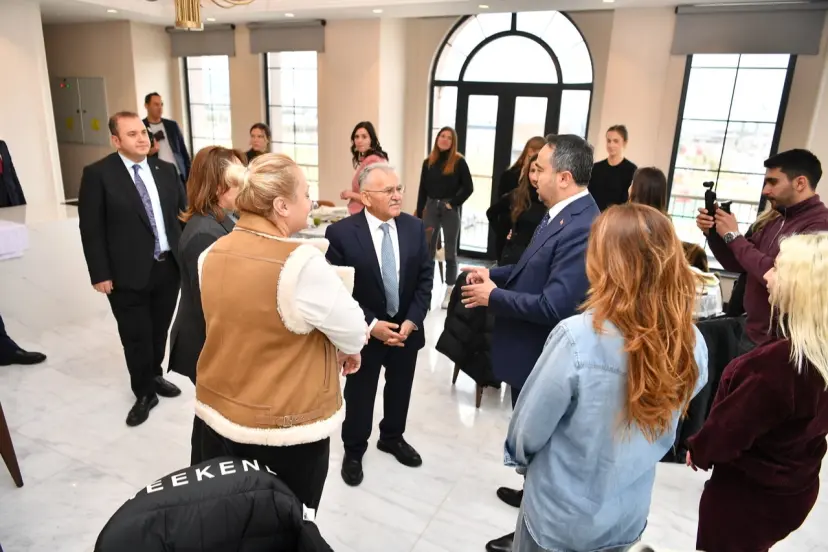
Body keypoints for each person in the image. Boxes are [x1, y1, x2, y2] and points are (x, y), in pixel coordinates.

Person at [507, 203, 708, 552]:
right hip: (625, 517)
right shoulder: (690, 342)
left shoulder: (578, 338)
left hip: (558, 519)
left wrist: (521, 463)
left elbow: (528, 430)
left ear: (607, 263)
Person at [195, 153, 368, 511]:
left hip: (215, 419)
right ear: (281, 205)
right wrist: (343, 346)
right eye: (305, 193)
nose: (311, 201)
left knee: (226, 520)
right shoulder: (301, 264)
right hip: (282, 431)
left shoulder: (211, 253)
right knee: (285, 526)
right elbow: (354, 332)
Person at [461, 134, 600, 552]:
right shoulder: (560, 213)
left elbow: (554, 304)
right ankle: (528, 500)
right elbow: (529, 271)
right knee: (535, 449)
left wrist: (493, 297)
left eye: (539, 169)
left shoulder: (582, 226)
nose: (532, 176)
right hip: (530, 352)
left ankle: (530, 532)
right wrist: (494, 275)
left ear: (565, 177)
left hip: (545, 355)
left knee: (544, 449)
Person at [687, 232, 828, 552]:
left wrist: (700, 449)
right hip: (796, 486)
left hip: (748, 499)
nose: (768, 275)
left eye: (777, 268)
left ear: (800, 287)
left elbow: (730, 428)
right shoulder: (816, 354)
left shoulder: (777, 367)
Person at [325, 162, 433, 487]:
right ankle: (354, 449)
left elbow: (425, 279)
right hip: (366, 333)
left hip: (405, 331)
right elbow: (339, 290)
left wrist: (412, 320)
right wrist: (371, 325)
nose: (397, 195)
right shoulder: (341, 234)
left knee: (400, 388)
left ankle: (392, 437)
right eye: (389, 191)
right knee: (361, 393)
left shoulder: (414, 227)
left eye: (399, 188)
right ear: (367, 197)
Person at [78, 111, 186, 427]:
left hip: (168, 268)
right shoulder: (98, 174)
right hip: (125, 273)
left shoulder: (166, 170)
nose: (142, 138)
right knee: (135, 336)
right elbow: (91, 229)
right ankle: (144, 392)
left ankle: (155, 374)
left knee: (159, 330)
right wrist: (100, 273)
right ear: (116, 140)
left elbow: (182, 217)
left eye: (143, 132)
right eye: (132, 134)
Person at [696, 148, 828, 353]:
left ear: (800, 183)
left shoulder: (819, 226)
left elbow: (778, 277)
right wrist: (714, 234)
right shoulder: (776, 219)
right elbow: (737, 263)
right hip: (752, 331)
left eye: (773, 182)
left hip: (780, 344)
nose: (765, 190)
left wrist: (733, 236)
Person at [167, 146, 246, 465]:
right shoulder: (205, 234)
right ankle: (207, 477)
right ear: (217, 186)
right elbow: (216, 306)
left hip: (213, 341)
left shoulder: (224, 219)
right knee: (215, 426)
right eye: (239, 179)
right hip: (205, 344)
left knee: (211, 421)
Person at [415, 126, 474, 309]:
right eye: (442, 136)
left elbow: (469, 187)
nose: (445, 139)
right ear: (437, 138)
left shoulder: (458, 162)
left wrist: (453, 203)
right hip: (431, 208)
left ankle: (449, 291)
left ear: (453, 142)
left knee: (450, 251)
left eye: (449, 137)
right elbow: (422, 189)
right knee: (427, 251)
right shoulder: (428, 162)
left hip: (449, 209)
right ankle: (425, 291)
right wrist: (420, 211)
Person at [486, 153, 546, 266]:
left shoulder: (552, 198)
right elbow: (492, 213)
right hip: (514, 257)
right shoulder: (517, 195)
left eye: (539, 171)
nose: (535, 177)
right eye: (532, 171)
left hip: (539, 259)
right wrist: (504, 233)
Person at [340, 122, 389, 215]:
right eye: (356, 137)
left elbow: (373, 198)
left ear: (371, 139)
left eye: (364, 137)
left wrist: (350, 194)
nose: (359, 140)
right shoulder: (369, 159)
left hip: (365, 216)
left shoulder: (373, 161)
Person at [143, 93, 191, 186]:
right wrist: (148, 153)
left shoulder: (172, 125)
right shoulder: (141, 127)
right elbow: (134, 155)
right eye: (156, 104)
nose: (160, 108)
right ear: (146, 106)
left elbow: (183, 151)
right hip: (157, 177)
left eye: (161, 104)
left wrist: (189, 174)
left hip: (178, 175)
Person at [588, 124, 637, 212]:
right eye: (608, 141)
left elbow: (629, 201)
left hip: (617, 218)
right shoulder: (596, 168)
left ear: (625, 143)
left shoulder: (632, 170)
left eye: (616, 141)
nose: (611, 145)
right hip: (594, 216)